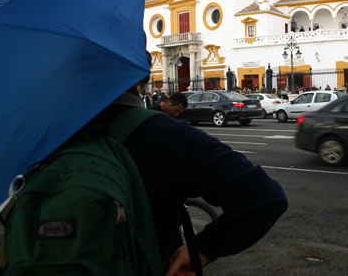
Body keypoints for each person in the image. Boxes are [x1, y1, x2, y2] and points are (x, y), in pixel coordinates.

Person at [78, 77, 288, 276]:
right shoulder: (165, 134)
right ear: (141, 77)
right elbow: (264, 198)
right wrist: (203, 249)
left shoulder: (56, 135)